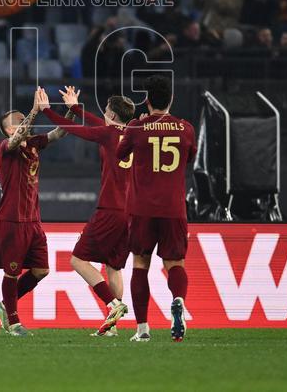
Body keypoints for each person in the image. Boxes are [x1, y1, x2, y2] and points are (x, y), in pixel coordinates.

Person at [39, 86, 133, 337]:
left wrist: (47, 110)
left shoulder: (107, 133)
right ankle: (112, 327)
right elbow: (96, 122)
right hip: (132, 212)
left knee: (78, 259)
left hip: (110, 209)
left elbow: (75, 129)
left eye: (106, 112)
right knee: (114, 266)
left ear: (112, 115)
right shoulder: (133, 133)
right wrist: (75, 107)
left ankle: (113, 304)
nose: (103, 115)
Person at [116, 74, 197, 342]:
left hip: (142, 209)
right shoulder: (186, 128)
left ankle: (142, 329)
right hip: (173, 207)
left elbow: (119, 154)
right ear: (171, 99)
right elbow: (190, 157)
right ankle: (178, 301)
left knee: (140, 263)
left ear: (147, 100)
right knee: (175, 262)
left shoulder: (137, 129)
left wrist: (135, 125)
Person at [0, 87, 73, 337]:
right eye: (15, 122)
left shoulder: (35, 144)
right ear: (7, 130)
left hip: (33, 220)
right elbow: (17, 139)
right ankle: (13, 322)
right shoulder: (6, 147)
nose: (21, 123)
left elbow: (60, 132)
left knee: (41, 271)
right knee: (12, 273)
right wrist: (35, 111)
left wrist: (71, 109)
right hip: (12, 219)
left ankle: (5, 306)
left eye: (22, 119)